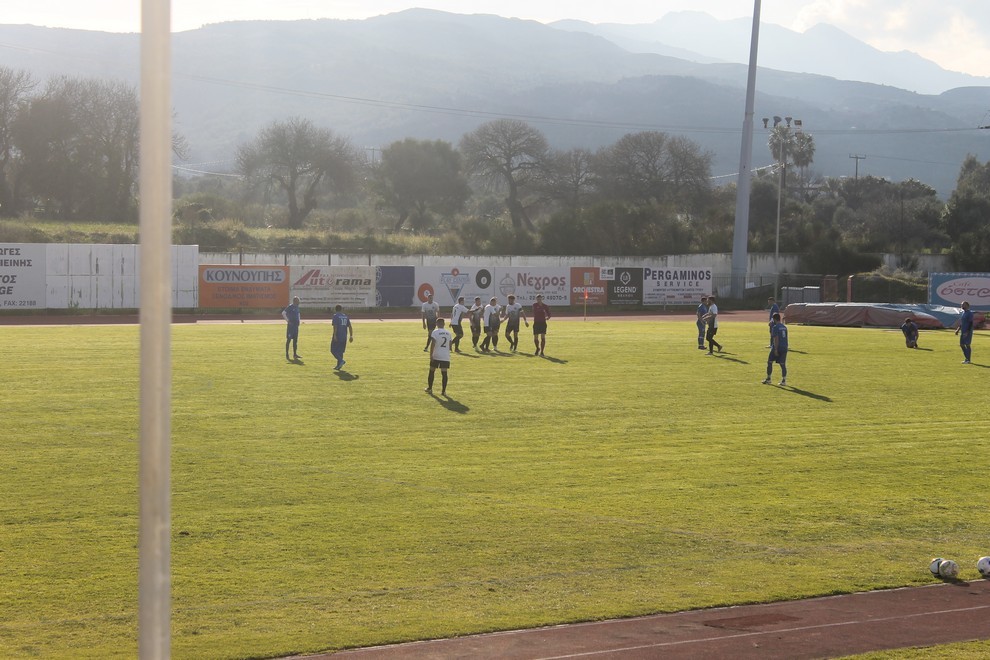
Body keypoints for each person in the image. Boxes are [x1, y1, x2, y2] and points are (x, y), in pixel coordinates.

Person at [425, 317, 453, 395]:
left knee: (432, 371)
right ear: (444, 324)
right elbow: (450, 346)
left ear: (436, 324)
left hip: (436, 355)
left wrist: (431, 355)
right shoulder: (448, 333)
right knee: (444, 373)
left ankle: (430, 388)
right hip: (445, 356)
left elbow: (433, 344)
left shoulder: (435, 332)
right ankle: (443, 391)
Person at [762, 312, 788, 386]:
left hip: (777, 347)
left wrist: (776, 349)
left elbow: (776, 339)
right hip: (784, 347)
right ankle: (784, 380)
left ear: (774, 319)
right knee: (783, 364)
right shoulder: (784, 327)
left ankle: (768, 379)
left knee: (770, 362)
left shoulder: (775, 327)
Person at [330, 304, 353, 370]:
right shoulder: (345, 316)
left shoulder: (335, 316)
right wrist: (351, 336)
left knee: (333, 350)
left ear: (335, 309)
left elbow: (335, 326)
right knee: (340, 351)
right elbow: (350, 326)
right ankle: (338, 366)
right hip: (344, 336)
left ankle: (341, 360)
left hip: (338, 336)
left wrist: (335, 335)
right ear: (341, 309)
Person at [281, 295, 302, 360]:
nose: (299, 302)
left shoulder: (297, 307)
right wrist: (288, 321)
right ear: (295, 301)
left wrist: (299, 321)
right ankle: (287, 354)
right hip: (291, 326)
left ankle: (295, 354)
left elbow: (298, 314)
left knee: (295, 341)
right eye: (298, 301)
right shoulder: (290, 307)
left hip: (296, 326)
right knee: (289, 340)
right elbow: (283, 313)